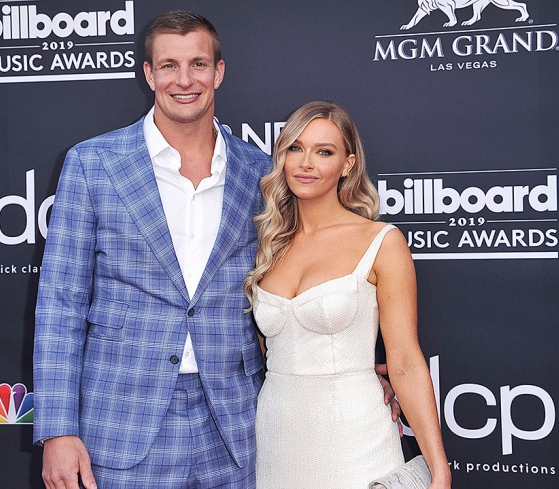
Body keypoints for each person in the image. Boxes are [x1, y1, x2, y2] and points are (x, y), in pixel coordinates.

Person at [33, 11, 399, 489]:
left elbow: (293, 279)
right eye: (168, 65)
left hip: (237, 421)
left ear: (218, 72)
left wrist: (343, 366)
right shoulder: (93, 165)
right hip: (124, 420)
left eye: (198, 64)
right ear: (149, 74)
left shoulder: (262, 174)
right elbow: (60, 303)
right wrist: (59, 429)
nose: (184, 80)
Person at [245, 101, 451, 488]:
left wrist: (438, 470)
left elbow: (405, 361)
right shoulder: (269, 245)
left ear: (348, 164)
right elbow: (269, 349)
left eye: (324, 152)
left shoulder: (380, 242)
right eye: (295, 148)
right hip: (276, 436)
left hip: (355, 435)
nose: (306, 163)